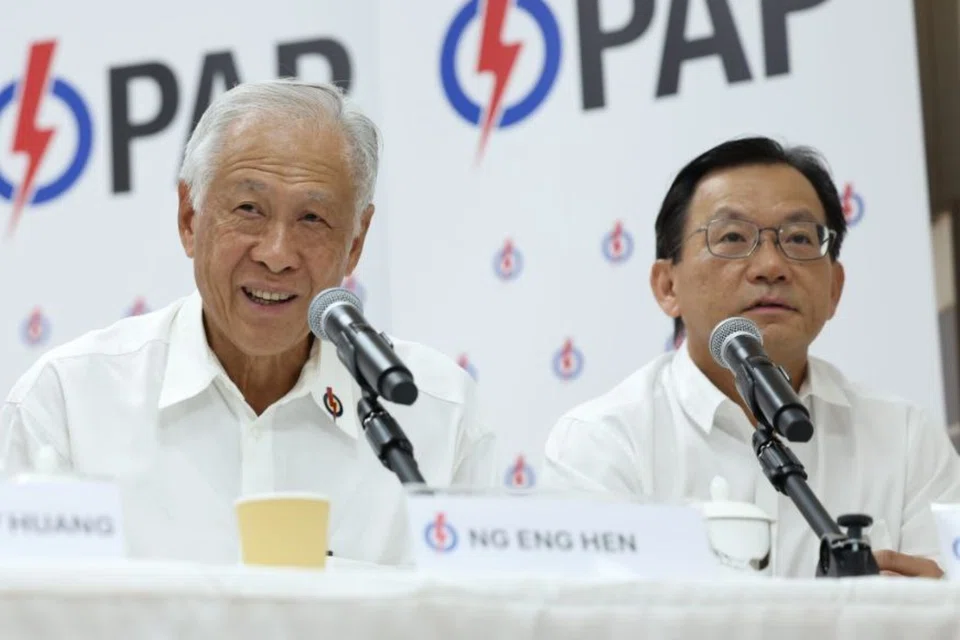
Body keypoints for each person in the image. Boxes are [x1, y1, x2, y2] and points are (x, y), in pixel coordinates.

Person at [0, 80, 495, 566]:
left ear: (356, 240)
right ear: (189, 218)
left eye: (312, 219)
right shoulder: (70, 402)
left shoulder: (437, 414)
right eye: (248, 210)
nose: (277, 255)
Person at [543, 136, 960, 578]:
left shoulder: (906, 440)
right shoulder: (604, 443)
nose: (770, 266)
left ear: (834, 289)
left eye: (799, 239)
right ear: (668, 287)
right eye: (732, 237)